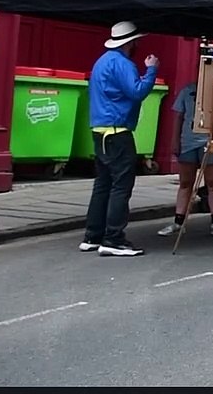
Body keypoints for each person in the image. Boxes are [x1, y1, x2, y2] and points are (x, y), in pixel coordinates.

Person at [80, 21, 159, 257]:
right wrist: (151, 70)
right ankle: (113, 238)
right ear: (130, 42)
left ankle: (93, 236)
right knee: (121, 186)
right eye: (136, 41)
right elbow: (137, 91)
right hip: (117, 132)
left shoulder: (102, 61)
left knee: (102, 184)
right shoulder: (123, 64)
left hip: (99, 130)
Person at [157, 82, 213, 238]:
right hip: (188, 141)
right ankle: (179, 221)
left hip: (210, 141)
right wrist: (175, 140)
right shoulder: (187, 90)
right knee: (186, 182)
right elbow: (179, 117)